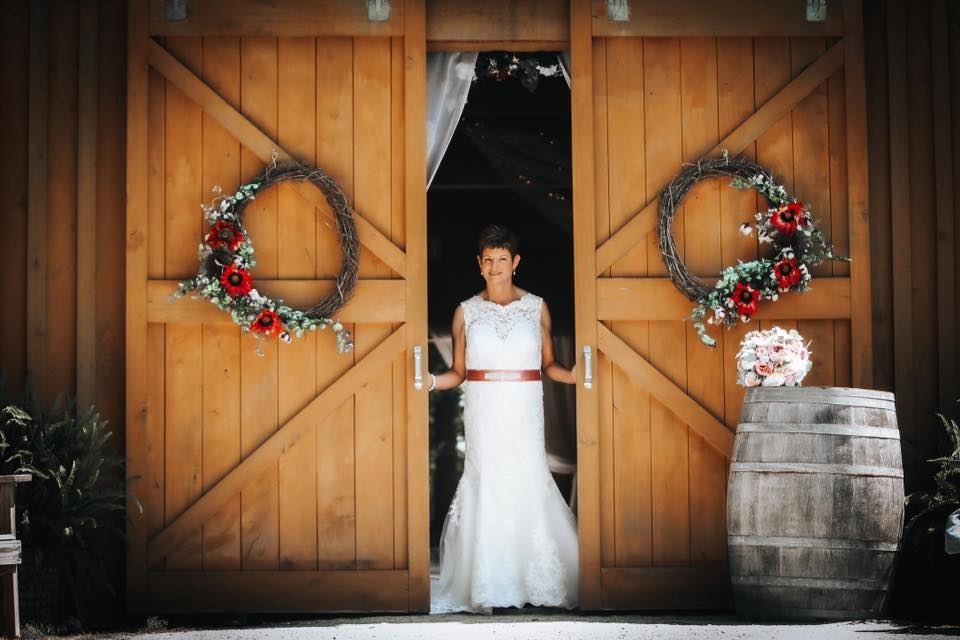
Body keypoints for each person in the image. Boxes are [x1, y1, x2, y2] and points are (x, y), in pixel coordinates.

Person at [429, 224, 579, 614]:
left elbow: (549, 364)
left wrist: (576, 376)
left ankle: (535, 580)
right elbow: (458, 373)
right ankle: (491, 584)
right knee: (489, 482)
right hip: (485, 411)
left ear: (515, 262)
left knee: (527, 478)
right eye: (488, 260)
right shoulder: (465, 311)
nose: (495, 267)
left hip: (524, 408)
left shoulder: (537, 307)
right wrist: (429, 381)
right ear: (479, 264)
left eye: (502, 259)